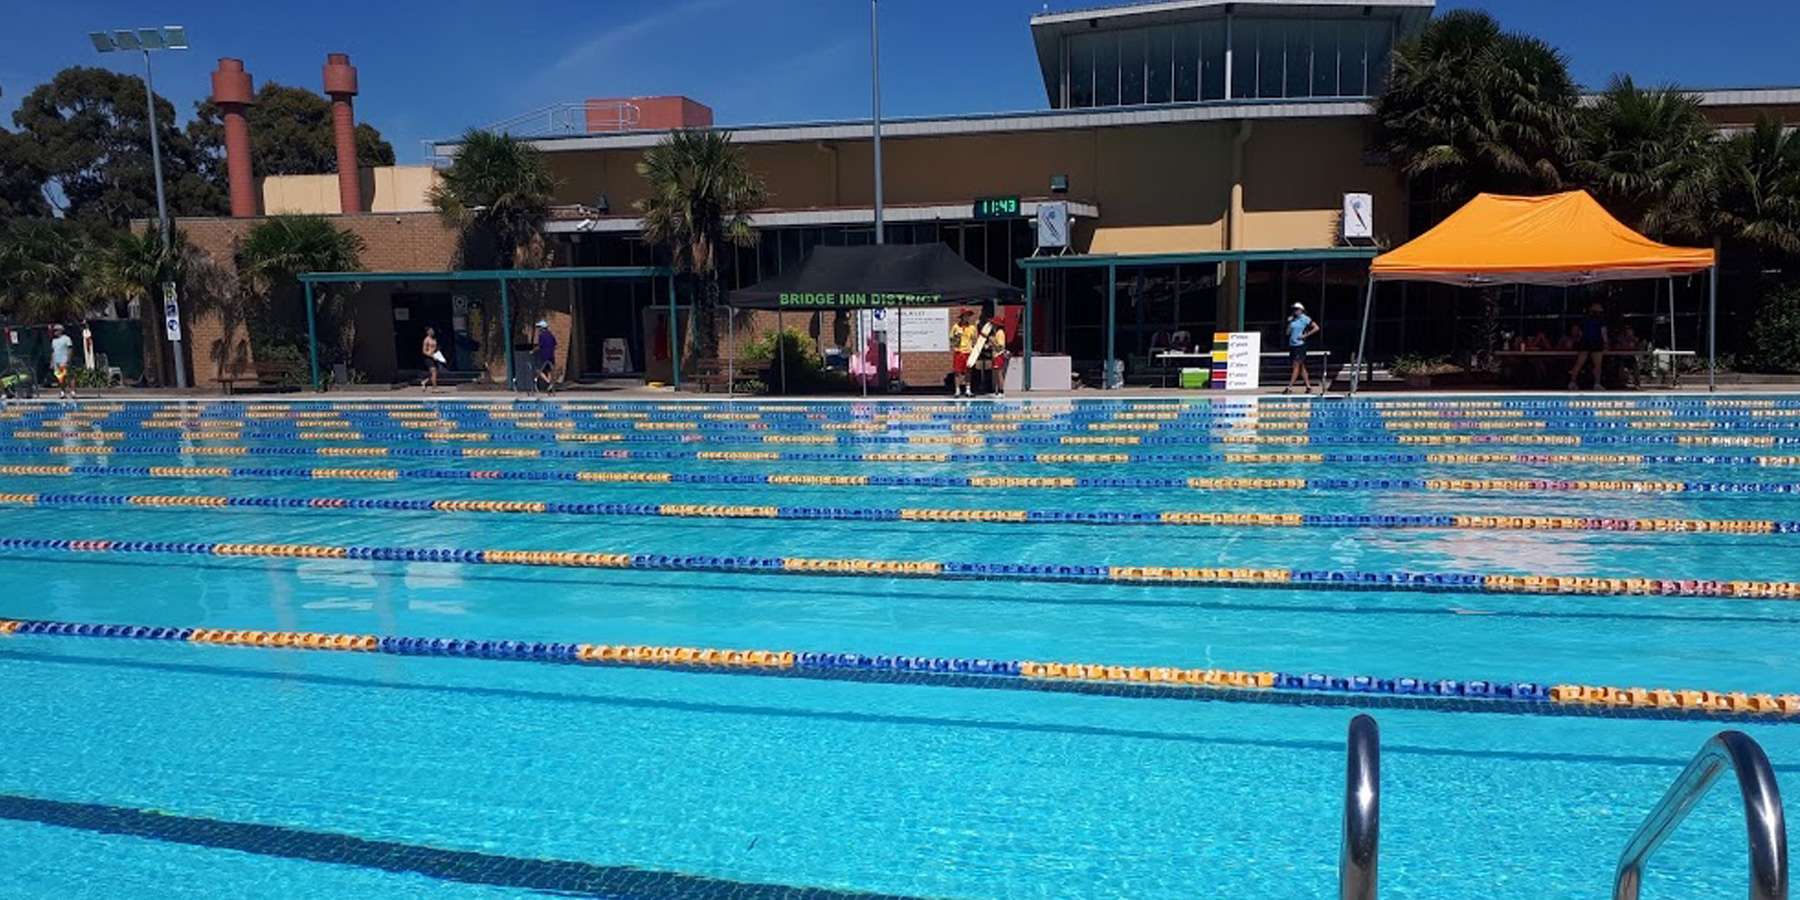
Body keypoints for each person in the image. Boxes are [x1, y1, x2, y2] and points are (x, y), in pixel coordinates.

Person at [1568, 303, 1609, 390]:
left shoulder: (1584, 320)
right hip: (1595, 343)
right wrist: (1606, 343)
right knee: (1597, 365)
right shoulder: (1601, 320)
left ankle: (1572, 382)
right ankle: (1596, 383)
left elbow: (1579, 333)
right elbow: (1603, 332)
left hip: (1586, 343)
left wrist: (1577, 340)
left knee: (1579, 363)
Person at [1283, 302, 1321, 395]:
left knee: (1296, 366)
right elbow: (1287, 333)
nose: (1295, 311)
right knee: (1301, 366)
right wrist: (1289, 322)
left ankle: (1289, 387)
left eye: (1296, 309)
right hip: (1293, 345)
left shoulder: (1305, 319)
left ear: (1301, 310)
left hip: (1300, 345)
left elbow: (1316, 327)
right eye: (1294, 310)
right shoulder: (1293, 320)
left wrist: (1305, 335)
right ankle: (1308, 386)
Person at [971, 304, 1008, 397]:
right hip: (995, 355)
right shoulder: (996, 333)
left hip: (999, 355)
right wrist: (988, 345)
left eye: (993, 324)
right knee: (996, 374)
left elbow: (1000, 347)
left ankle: (1001, 391)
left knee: (999, 374)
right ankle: (997, 391)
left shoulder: (1000, 333)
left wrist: (992, 341)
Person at [949, 310, 978, 397]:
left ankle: (968, 390)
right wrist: (956, 338)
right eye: (966, 315)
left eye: (968, 316)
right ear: (962, 317)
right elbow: (951, 340)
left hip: (968, 352)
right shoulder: (956, 327)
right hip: (959, 351)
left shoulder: (972, 328)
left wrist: (974, 349)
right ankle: (957, 390)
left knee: (968, 371)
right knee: (957, 372)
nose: (967, 317)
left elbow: (975, 340)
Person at [49, 324, 74, 400]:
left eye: (56, 330)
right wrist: (52, 362)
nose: (55, 332)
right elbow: (53, 352)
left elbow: (70, 349)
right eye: (54, 330)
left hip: (64, 360)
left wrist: (68, 359)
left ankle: (72, 391)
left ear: (61, 331)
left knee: (68, 376)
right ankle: (62, 392)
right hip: (57, 361)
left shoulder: (66, 339)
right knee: (60, 378)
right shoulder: (54, 341)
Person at [532, 319, 558, 394]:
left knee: (538, 370)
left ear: (542, 328)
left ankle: (549, 382)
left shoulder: (541, 336)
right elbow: (555, 345)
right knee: (549, 371)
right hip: (551, 356)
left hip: (544, 356)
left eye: (539, 327)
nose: (538, 329)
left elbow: (540, 346)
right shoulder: (551, 335)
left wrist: (533, 351)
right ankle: (550, 386)